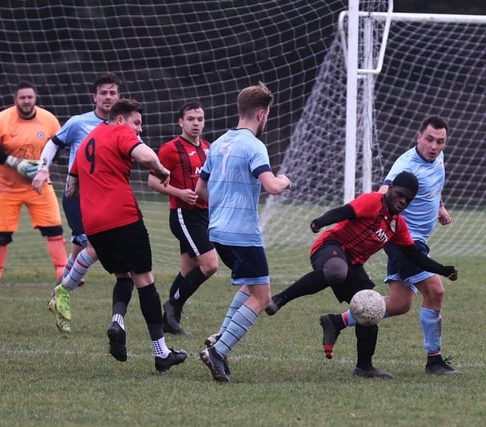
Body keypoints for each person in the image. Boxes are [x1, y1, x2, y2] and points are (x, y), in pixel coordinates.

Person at [264, 171, 458, 379]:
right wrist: (320, 222)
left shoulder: (397, 225)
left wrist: (443, 270)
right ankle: (279, 299)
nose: (402, 201)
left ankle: (364, 366)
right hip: (330, 247)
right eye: (400, 194)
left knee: (370, 307)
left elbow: (414, 255)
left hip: (354, 265)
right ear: (390, 188)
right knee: (337, 271)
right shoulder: (372, 201)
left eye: (407, 199)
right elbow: (344, 212)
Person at [324, 116, 459, 375]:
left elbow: (434, 184)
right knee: (436, 292)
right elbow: (383, 193)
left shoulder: (437, 158)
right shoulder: (405, 165)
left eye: (440, 141)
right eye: (429, 139)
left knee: (399, 304)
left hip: (416, 241)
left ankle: (337, 321)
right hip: (403, 242)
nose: (433, 146)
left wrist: (440, 207)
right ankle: (434, 360)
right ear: (418, 136)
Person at [66, 98, 187, 372]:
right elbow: (145, 156)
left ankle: (117, 321)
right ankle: (161, 352)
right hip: (122, 216)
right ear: (121, 119)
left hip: (94, 225)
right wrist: (162, 170)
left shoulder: (87, 141)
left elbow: (71, 189)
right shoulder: (121, 131)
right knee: (145, 280)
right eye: (137, 123)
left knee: (123, 276)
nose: (140, 130)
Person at [196, 83, 292, 382]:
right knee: (262, 297)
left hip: (218, 232)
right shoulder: (253, 146)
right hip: (242, 233)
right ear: (261, 114)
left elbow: (200, 190)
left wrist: (223, 205)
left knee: (251, 287)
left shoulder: (220, 143)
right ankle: (219, 350)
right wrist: (285, 180)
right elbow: (272, 187)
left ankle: (218, 339)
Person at [32, 73, 134, 334]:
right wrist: (43, 169)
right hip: (77, 195)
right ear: (95, 97)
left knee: (81, 249)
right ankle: (63, 291)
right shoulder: (78, 123)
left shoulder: (123, 126)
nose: (108, 97)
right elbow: (52, 145)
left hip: (107, 199)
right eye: (104, 93)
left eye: (113, 93)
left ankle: (61, 290)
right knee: (95, 246)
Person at [0, 80, 67, 288]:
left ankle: (63, 274)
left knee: (54, 230)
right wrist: (15, 163)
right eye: (22, 98)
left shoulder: (49, 120)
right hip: (6, 187)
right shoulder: (2, 119)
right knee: (0, 234)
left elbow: (58, 147)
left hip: (39, 185)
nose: (26, 101)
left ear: (35, 98)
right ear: (15, 99)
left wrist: (42, 165)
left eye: (30, 97)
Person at [147, 101, 218, 334]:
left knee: (188, 270)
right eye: (190, 119)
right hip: (183, 215)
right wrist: (178, 192)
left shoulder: (208, 147)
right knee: (210, 265)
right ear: (181, 122)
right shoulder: (170, 149)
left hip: (203, 214)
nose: (196, 123)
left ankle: (170, 319)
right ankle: (173, 305)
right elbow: (152, 181)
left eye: (199, 119)